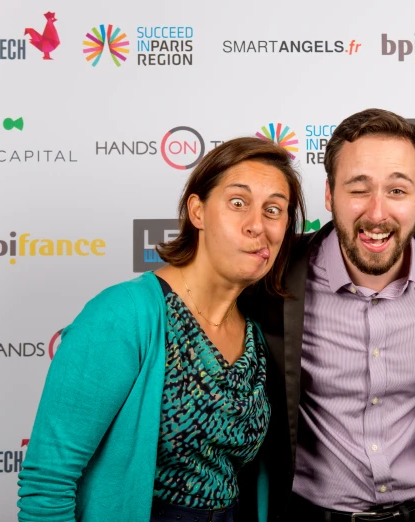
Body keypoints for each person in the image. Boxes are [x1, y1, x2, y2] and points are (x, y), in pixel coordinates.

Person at [17, 137, 306, 522]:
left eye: (274, 210)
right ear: (197, 211)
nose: (257, 225)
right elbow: (48, 482)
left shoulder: (257, 334)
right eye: (238, 203)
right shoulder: (125, 314)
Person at [243, 108, 415, 521]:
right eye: (358, 188)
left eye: (397, 191)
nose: (377, 213)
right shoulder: (274, 271)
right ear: (329, 194)